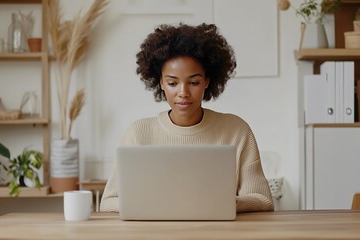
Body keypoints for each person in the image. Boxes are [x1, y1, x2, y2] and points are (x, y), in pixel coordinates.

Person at [100, 23, 274, 213]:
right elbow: (108, 203)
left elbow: (263, 200)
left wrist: (223, 202)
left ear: (207, 81)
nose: (183, 92)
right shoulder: (137, 133)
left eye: (194, 82)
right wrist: (153, 205)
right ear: (161, 82)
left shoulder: (236, 131)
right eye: (173, 83)